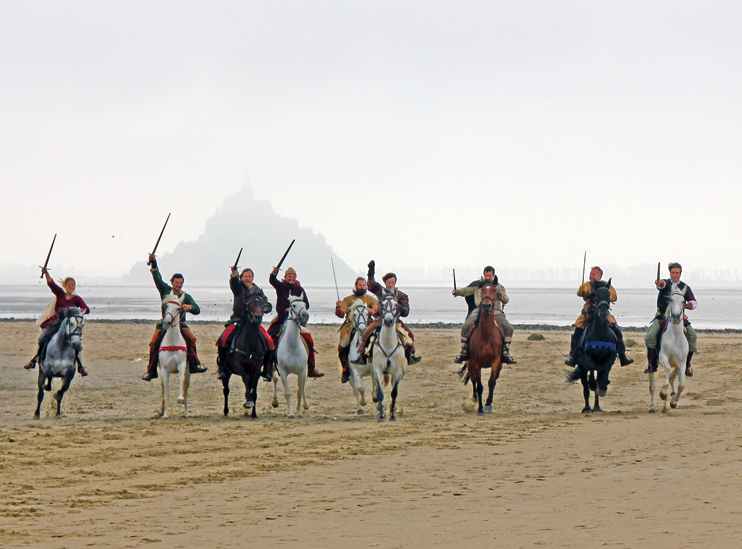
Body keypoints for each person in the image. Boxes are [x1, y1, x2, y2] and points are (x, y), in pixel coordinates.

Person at [142, 254, 207, 381]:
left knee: (192, 339)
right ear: (172, 283)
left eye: (181, 283)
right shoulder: (165, 290)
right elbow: (157, 278)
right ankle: (151, 370)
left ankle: (195, 364)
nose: (179, 285)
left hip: (181, 324)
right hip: (165, 324)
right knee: (153, 343)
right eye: (176, 282)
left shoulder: (186, 296)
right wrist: (154, 264)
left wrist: (189, 307)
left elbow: (197, 309)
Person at [24, 268, 90, 375]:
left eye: (73, 285)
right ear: (65, 286)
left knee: (76, 343)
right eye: (69, 285)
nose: (71, 287)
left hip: (69, 325)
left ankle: (81, 367)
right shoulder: (60, 294)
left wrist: (81, 311)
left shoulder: (77, 298)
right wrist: (46, 273)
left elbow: (86, 308)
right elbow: (51, 283)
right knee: (43, 338)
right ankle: (34, 360)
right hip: (56, 323)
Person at [565, 266, 634, 367]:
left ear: (600, 276)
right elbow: (580, 293)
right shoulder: (587, 285)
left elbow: (614, 297)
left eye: (594, 274)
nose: (591, 276)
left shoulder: (607, 285)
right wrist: (582, 290)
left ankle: (623, 356)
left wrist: (603, 293)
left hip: (603, 312)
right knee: (577, 332)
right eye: (591, 274)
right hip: (589, 311)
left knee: (617, 330)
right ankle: (573, 355)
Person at [215, 267, 274, 381]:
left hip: (253, 324)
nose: (248, 278)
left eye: (250, 276)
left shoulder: (258, 291)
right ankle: (222, 368)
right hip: (237, 321)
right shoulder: (238, 289)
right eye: (245, 276)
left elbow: (267, 305)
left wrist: (264, 308)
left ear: (252, 278)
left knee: (270, 341)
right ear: (241, 278)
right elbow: (234, 282)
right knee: (222, 339)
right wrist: (234, 274)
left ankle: (266, 369)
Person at [357, 260, 421, 365]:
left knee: (410, 335)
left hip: (395, 322)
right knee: (366, 334)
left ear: (395, 283)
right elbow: (371, 285)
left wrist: (402, 309)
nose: (390, 284)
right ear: (385, 284)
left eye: (392, 282)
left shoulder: (402, 295)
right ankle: (362, 355)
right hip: (380, 320)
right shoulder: (380, 291)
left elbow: (406, 311)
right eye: (388, 283)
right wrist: (371, 272)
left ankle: (410, 356)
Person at [452, 266, 516, 364]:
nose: (488, 277)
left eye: (489, 275)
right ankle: (464, 351)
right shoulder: (478, 286)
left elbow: (505, 297)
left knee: (509, 328)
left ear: (493, 276)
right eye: (486, 275)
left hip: (495, 312)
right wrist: (457, 292)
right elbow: (466, 291)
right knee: (466, 326)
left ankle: (505, 353)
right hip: (479, 311)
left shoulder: (499, 287)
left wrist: (504, 299)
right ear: (484, 275)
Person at [267, 266, 324, 378]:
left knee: (309, 340)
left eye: (293, 276)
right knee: (269, 339)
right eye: (289, 276)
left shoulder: (299, 289)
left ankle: (311, 368)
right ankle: (268, 368)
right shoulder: (280, 286)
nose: (291, 278)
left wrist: (296, 309)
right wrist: (274, 273)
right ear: (285, 277)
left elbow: (306, 304)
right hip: (280, 320)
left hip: (297, 322)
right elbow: (272, 280)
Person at [644, 262, 698, 376]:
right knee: (650, 336)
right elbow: (661, 285)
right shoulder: (666, 283)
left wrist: (684, 306)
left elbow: (694, 303)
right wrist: (660, 283)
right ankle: (651, 364)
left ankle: (687, 365)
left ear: (680, 273)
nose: (675, 275)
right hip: (662, 316)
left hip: (679, 317)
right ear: (670, 273)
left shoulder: (685, 287)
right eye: (673, 272)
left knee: (693, 336)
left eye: (677, 273)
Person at [335, 277, 378, 383]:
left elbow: (377, 311)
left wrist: (369, 310)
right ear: (356, 286)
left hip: (368, 324)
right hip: (350, 326)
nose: (362, 287)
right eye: (360, 285)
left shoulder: (371, 299)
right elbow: (341, 314)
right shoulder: (348, 299)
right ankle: (345, 369)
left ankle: (380, 364)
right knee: (343, 345)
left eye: (364, 285)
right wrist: (339, 308)